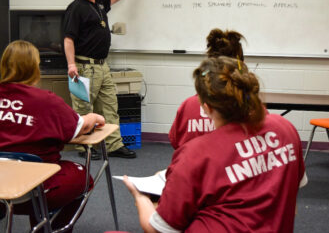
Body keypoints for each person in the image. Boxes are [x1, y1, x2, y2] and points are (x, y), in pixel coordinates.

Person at [124, 56, 307, 232]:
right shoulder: (285, 128)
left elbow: (157, 229)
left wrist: (140, 197)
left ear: (206, 107)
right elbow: (291, 195)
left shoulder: (196, 153)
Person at [0, 40, 105, 232]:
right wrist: (93, 116)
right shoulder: (46, 100)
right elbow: (79, 127)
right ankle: (47, 228)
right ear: (35, 67)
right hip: (35, 192)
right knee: (84, 177)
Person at [63, 0, 143, 159]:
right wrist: (71, 65)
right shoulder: (75, 8)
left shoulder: (98, 3)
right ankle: (85, 147)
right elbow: (68, 39)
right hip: (83, 67)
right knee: (84, 108)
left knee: (109, 105)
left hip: (102, 66)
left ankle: (113, 144)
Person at [169, 29, 245, 149]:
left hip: (191, 166)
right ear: (240, 65)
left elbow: (175, 141)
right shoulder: (250, 108)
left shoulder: (187, 105)